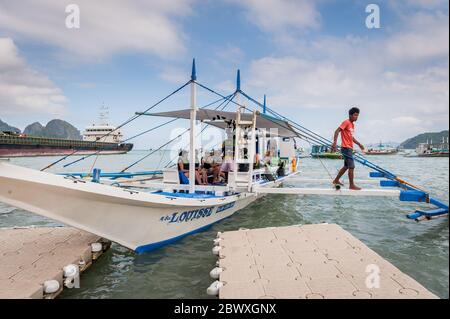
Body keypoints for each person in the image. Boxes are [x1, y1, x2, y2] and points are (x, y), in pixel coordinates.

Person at [331, 107, 365, 190]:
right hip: (346, 148)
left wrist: (359, 144)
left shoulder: (352, 125)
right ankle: (351, 185)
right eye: (355, 115)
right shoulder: (346, 122)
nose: (356, 117)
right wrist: (334, 143)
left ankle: (336, 180)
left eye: (357, 115)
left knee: (346, 166)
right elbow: (337, 131)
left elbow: (351, 138)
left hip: (349, 147)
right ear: (350, 115)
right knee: (351, 166)